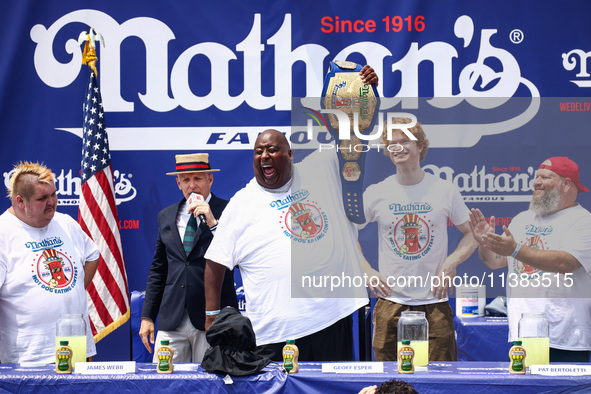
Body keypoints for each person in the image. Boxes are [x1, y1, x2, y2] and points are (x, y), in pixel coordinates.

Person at [357, 118, 477, 362]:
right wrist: (366, 269)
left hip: (435, 304)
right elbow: (346, 232)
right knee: (390, 382)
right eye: (392, 143)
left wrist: (452, 261)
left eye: (405, 141)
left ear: (420, 146)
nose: (398, 147)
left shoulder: (444, 190)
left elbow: (473, 233)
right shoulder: (377, 192)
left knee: (440, 382)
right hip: (390, 303)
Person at [469, 156, 591, 362]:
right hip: (522, 336)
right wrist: (485, 243)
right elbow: (495, 261)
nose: (536, 182)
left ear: (566, 184)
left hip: (564, 337)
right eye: (536, 177)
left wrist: (515, 249)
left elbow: (566, 263)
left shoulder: (582, 221)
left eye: (545, 177)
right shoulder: (523, 219)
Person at [140, 153, 237, 363]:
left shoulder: (229, 210)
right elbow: (159, 269)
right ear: (178, 183)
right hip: (171, 319)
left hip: (213, 318)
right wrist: (147, 316)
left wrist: (212, 223)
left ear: (210, 179)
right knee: (165, 384)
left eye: (198, 179)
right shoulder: (166, 215)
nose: (192, 186)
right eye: (186, 179)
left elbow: (236, 258)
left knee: (212, 384)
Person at [0, 161, 99, 364]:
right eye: (42, 198)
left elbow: (92, 255)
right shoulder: (4, 233)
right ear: (20, 201)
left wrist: (74, 290)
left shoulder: (65, 222)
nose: (52, 202)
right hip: (28, 358)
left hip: (76, 349)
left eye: (53, 194)